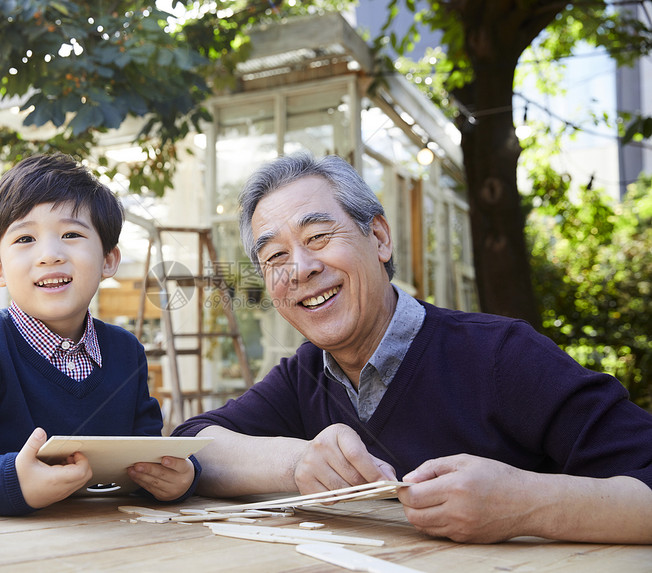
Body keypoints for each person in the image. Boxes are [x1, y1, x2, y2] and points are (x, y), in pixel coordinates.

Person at [172, 152, 652, 543]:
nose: (298, 268)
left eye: (318, 237)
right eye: (275, 256)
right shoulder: (307, 375)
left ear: (378, 238)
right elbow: (190, 447)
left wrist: (526, 503)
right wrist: (298, 463)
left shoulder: (502, 355)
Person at [0, 153, 198, 515]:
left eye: (71, 234)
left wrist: (179, 480)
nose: (49, 255)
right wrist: (11, 481)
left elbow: (146, 451)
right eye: (25, 239)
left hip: (107, 543)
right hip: (2, 550)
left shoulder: (124, 351)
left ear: (108, 259)